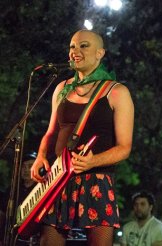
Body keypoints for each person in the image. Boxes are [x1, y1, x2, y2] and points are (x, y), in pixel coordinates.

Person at [30, 29, 134, 246]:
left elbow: (124, 147)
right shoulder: (62, 88)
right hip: (58, 179)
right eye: (72, 46)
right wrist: (41, 155)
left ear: (100, 53)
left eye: (83, 46)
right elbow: (51, 132)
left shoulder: (117, 92)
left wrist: (92, 161)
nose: (75, 51)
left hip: (97, 181)